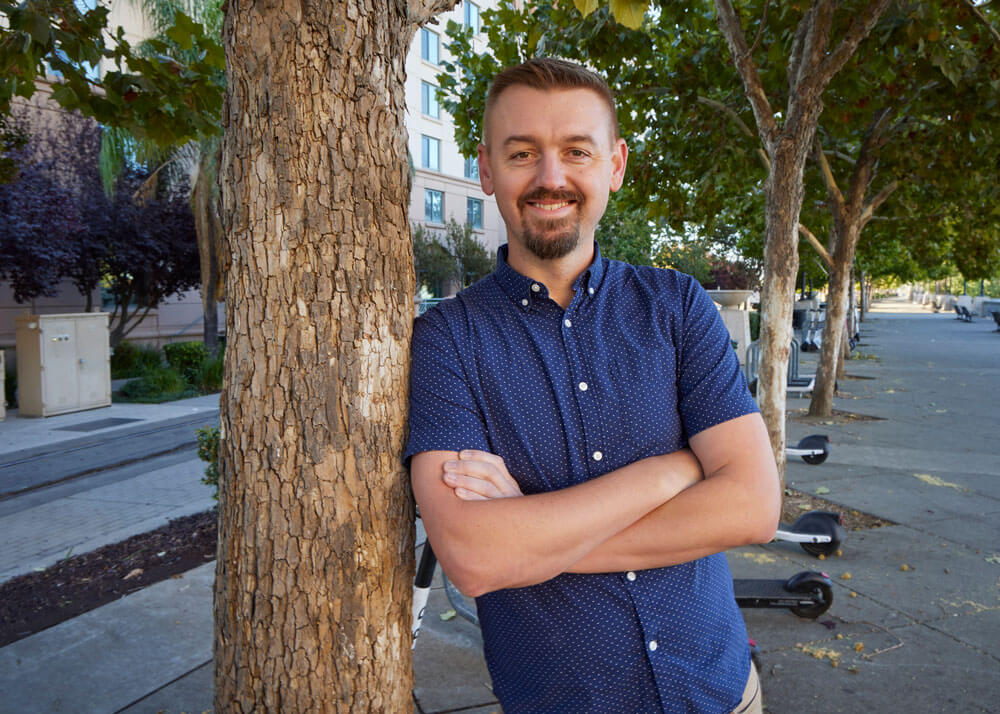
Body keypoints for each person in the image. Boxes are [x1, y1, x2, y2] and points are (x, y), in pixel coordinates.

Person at [406, 58, 780, 714]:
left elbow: (752, 507)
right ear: (486, 168)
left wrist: (528, 539)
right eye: (522, 153)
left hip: (722, 695)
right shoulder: (445, 340)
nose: (551, 178)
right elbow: (471, 554)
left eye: (576, 151)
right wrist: (671, 473)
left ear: (615, 164)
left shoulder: (677, 307)